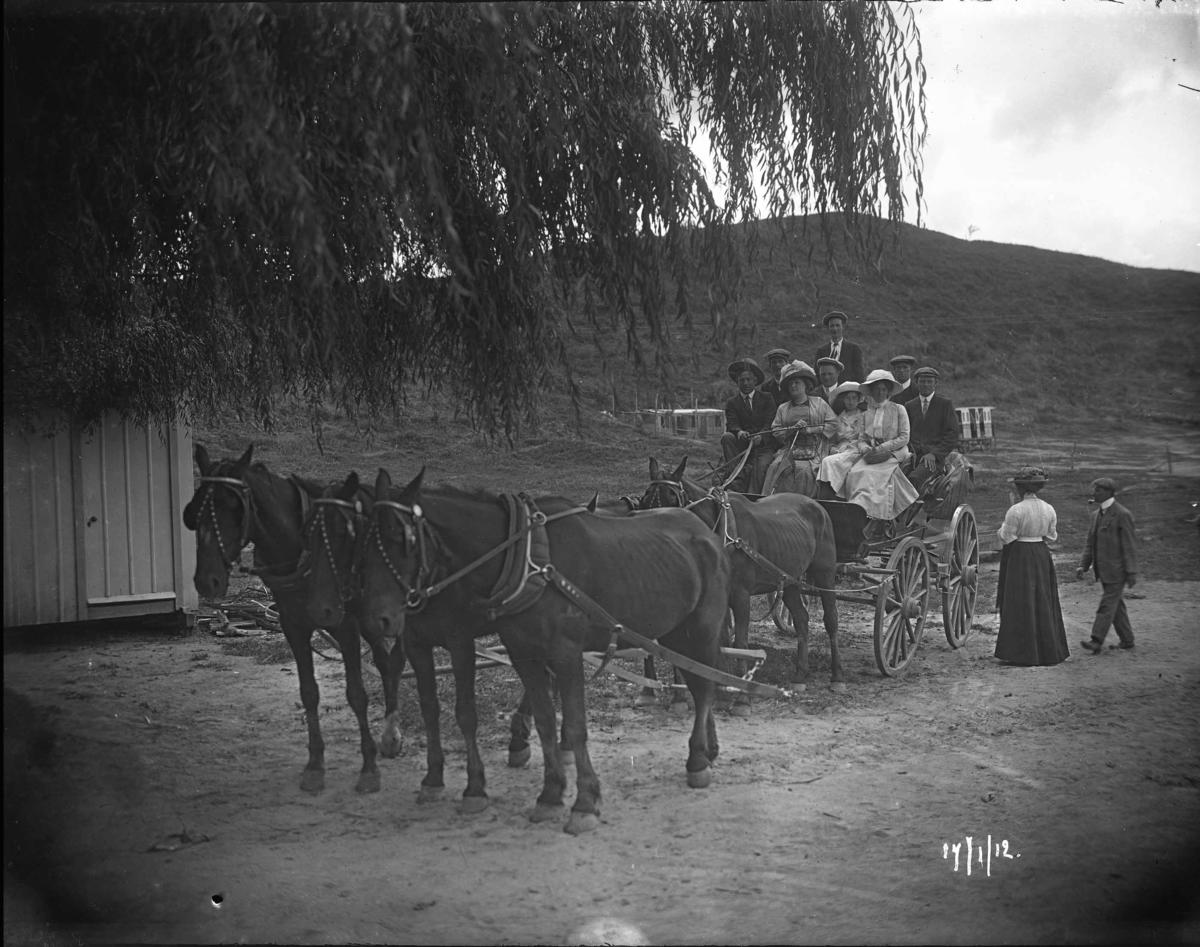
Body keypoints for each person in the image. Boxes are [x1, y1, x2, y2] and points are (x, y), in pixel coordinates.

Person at [994, 466, 1070, 666]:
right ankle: (1047, 651)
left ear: (1020, 489)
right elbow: (1052, 536)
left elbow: (1007, 537)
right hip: (1041, 554)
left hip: (1020, 555)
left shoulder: (1016, 510)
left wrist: (1001, 528)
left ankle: (1022, 653)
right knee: (1043, 598)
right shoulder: (1049, 508)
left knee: (1021, 599)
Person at [840, 369, 918, 532]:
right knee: (855, 473)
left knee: (873, 476)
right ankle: (857, 513)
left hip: (894, 452)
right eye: (877, 389)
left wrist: (882, 447)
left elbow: (904, 437)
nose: (880, 392)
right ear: (871, 391)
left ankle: (877, 518)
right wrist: (866, 448)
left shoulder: (899, 409)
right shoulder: (867, 413)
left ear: (889, 391)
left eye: (884, 389)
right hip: (872, 454)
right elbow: (861, 438)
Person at [1076, 477, 1139, 654]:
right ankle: (1127, 640)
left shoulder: (1123, 515)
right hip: (1102, 570)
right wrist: (1083, 565)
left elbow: (1129, 545)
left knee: (1107, 604)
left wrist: (1131, 571)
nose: (1093, 493)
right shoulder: (1096, 515)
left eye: (1097, 490)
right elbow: (1090, 544)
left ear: (1108, 492)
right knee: (1115, 605)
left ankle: (1096, 640)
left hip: (1118, 571)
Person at [761, 361, 837, 497]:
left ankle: (801, 506)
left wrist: (810, 430)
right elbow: (776, 431)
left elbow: (833, 425)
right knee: (776, 467)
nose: (793, 386)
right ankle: (774, 505)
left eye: (797, 382)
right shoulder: (783, 408)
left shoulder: (819, 403)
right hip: (789, 449)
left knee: (803, 472)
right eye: (790, 384)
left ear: (805, 385)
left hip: (815, 450)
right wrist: (791, 430)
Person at [720, 357, 777, 494]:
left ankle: (754, 497)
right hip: (742, 445)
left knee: (762, 466)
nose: (745, 383)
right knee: (727, 437)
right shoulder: (732, 402)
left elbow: (770, 422)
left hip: (763, 446)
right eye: (741, 380)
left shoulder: (767, 398)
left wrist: (761, 436)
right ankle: (736, 479)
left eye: (748, 379)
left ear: (755, 381)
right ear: (737, 382)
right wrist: (739, 432)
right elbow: (732, 423)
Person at [904, 366, 959, 492]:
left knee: (914, 479)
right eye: (922, 381)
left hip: (934, 459)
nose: (926, 384)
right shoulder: (910, 405)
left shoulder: (944, 404)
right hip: (911, 456)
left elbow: (952, 434)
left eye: (929, 381)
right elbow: (905, 432)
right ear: (916, 383)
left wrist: (935, 454)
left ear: (936, 383)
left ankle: (907, 510)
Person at [816, 382, 870, 498]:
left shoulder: (864, 416)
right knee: (826, 460)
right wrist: (833, 448)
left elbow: (865, 438)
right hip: (840, 449)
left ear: (859, 399)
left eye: (854, 398)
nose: (851, 401)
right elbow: (831, 440)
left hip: (856, 449)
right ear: (843, 400)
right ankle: (828, 497)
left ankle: (837, 496)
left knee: (829, 462)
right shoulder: (837, 418)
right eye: (847, 398)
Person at [812, 310, 865, 383]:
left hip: (846, 390)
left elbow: (859, 374)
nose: (835, 329)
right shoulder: (821, 351)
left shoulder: (854, 349)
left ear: (843, 327)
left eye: (837, 325)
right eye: (832, 326)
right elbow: (817, 374)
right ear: (828, 328)